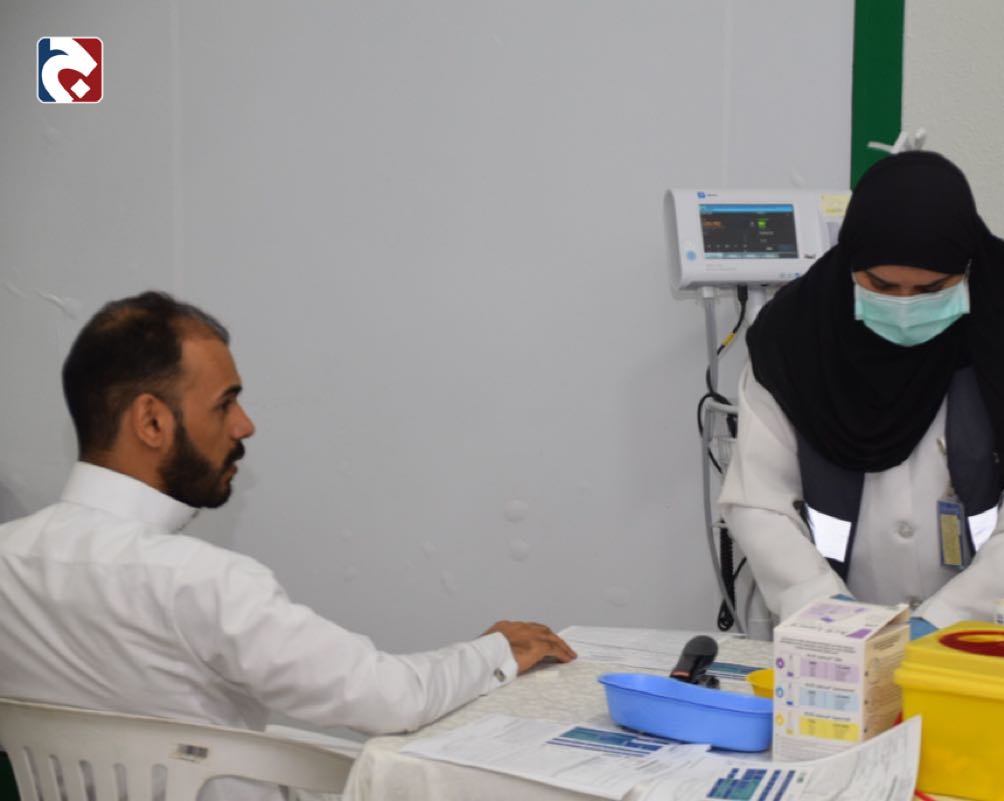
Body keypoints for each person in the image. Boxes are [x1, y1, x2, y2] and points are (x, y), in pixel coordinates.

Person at [0, 291, 575, 744]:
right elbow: (388, 699)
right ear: (151, 422)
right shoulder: (199, 581)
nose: (245, 425)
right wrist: (497, 650)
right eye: (225, 403)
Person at [719, 151, 1004, 638]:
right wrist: (823, 608)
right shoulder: (794, 339)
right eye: (881, 285)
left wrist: (945, 623)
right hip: (844, 634)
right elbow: (759, 503)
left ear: (968, 266)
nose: (904, 305)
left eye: (932, 289)